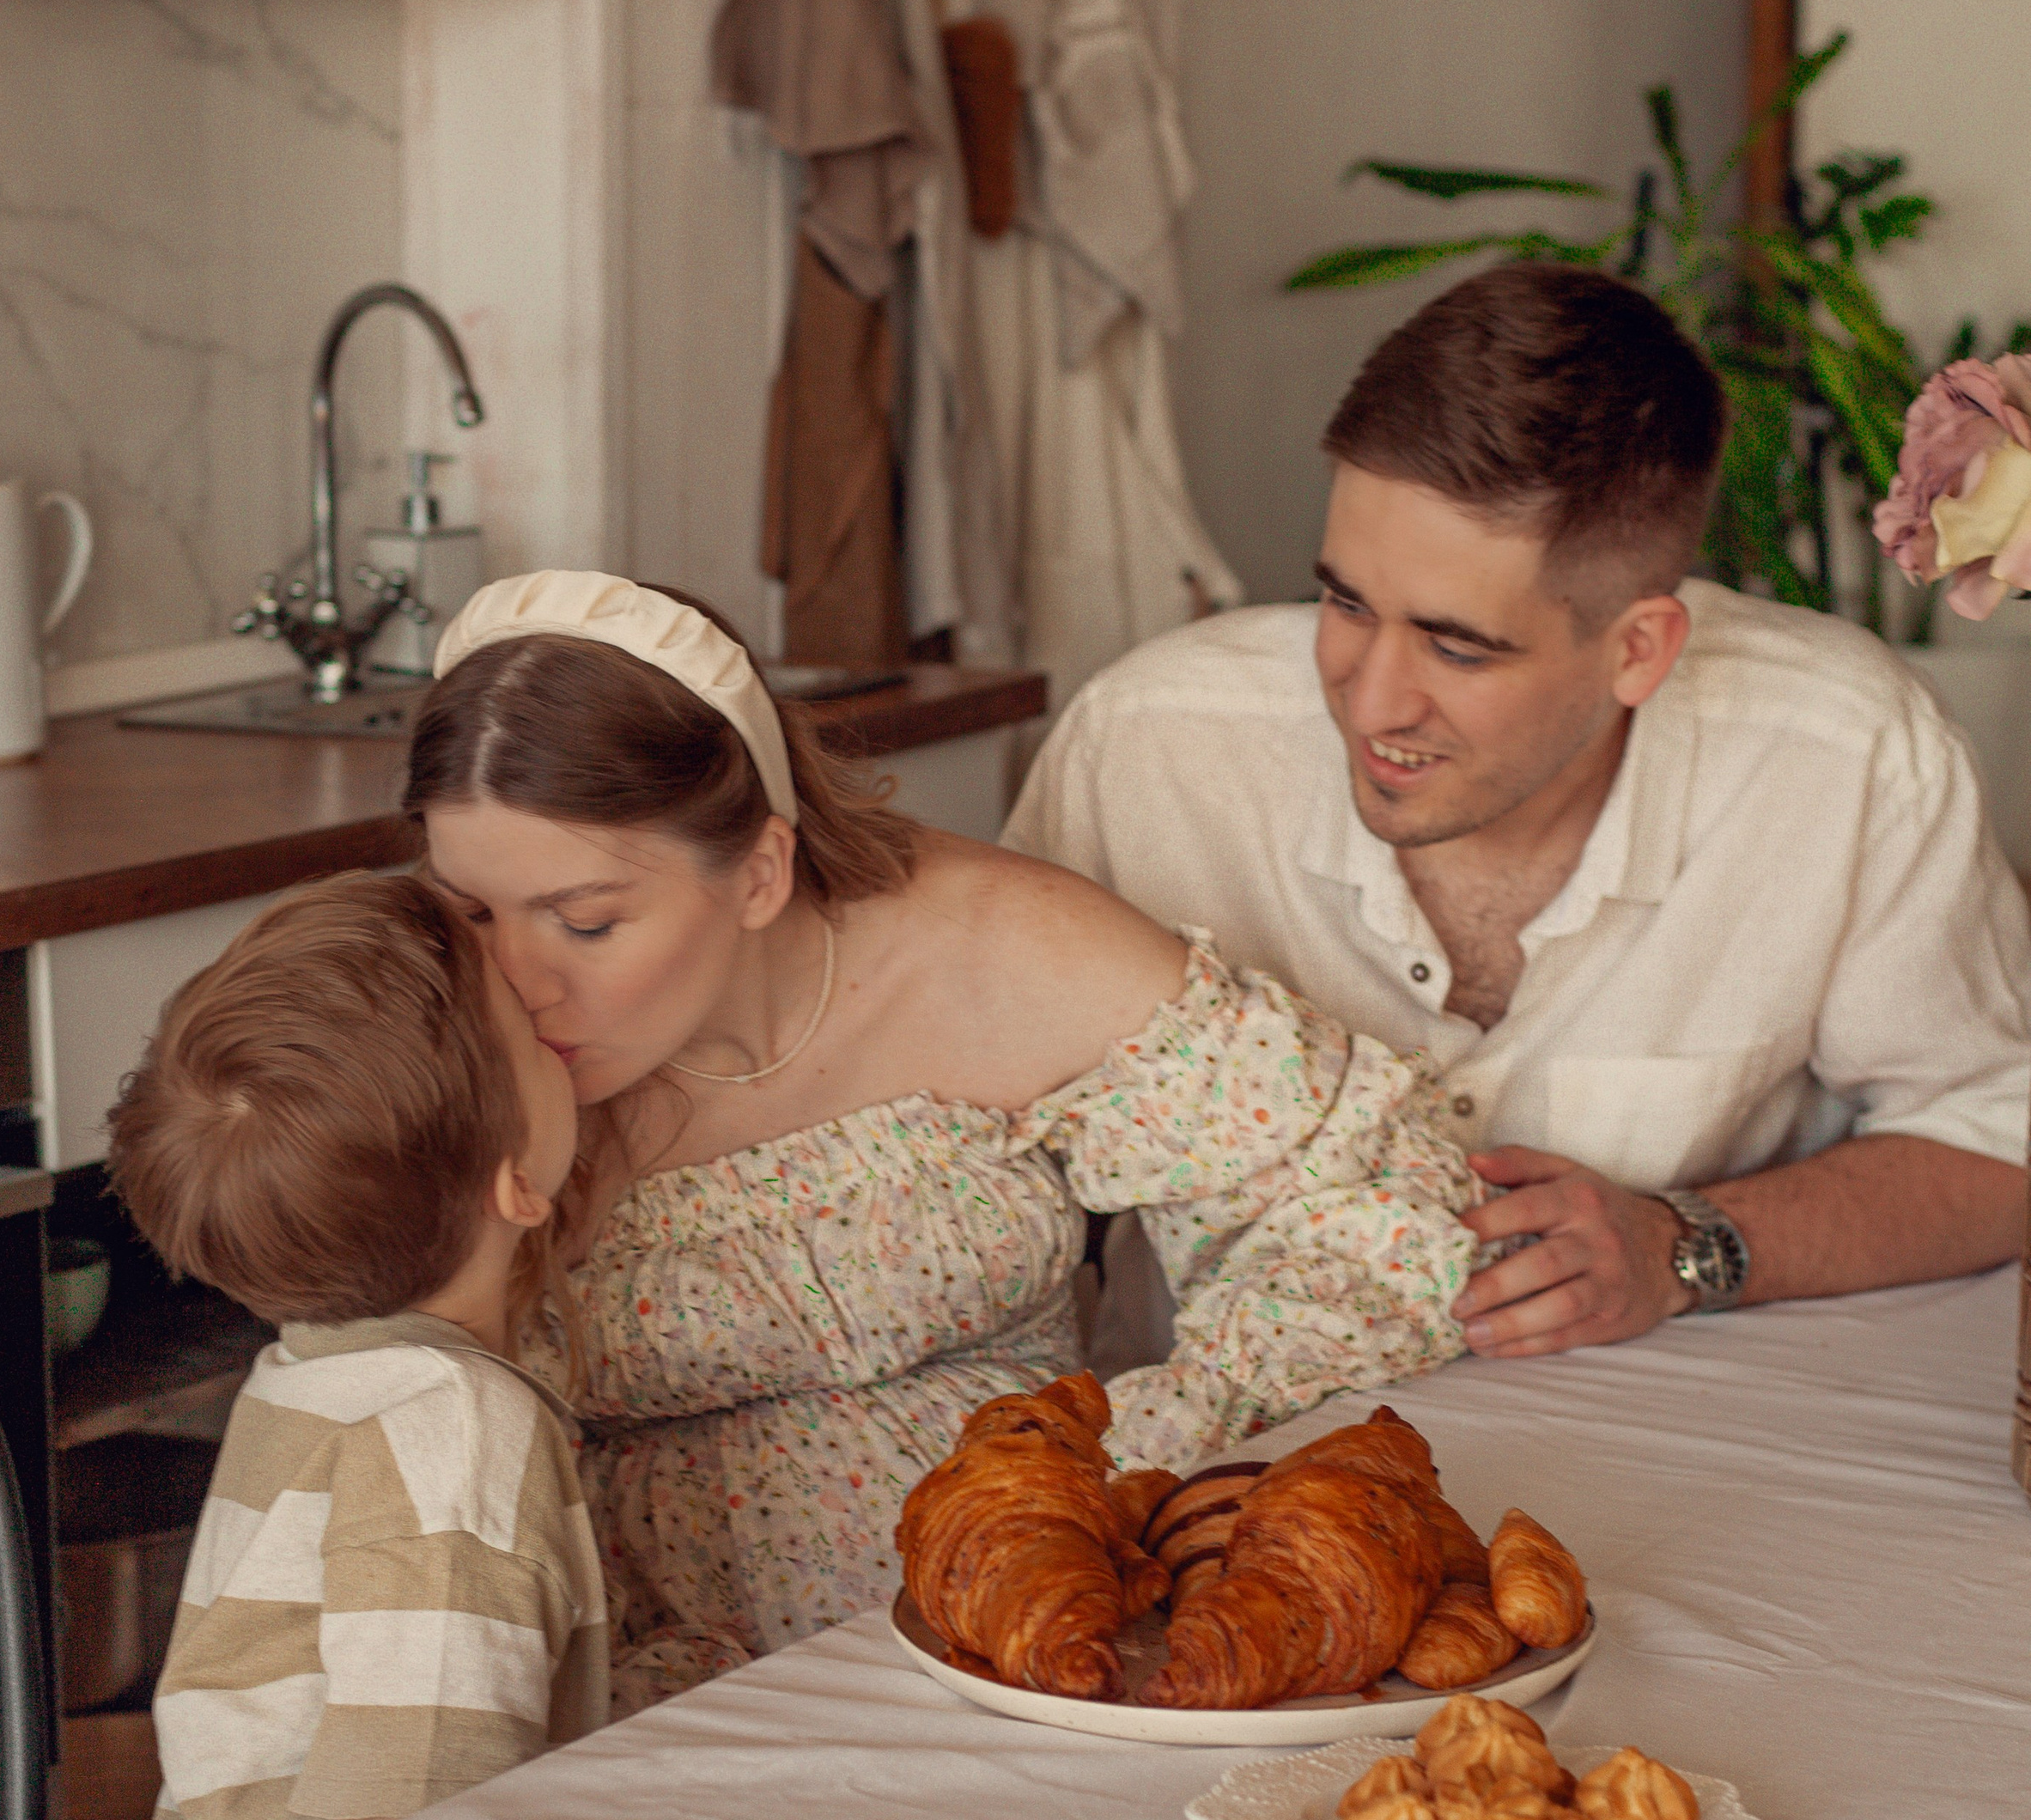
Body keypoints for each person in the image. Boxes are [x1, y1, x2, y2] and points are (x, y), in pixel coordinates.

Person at [403, 569, 1479, 1713]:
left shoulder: (989, 945)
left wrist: (1127, 1478)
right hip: (628, 1698)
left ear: (760, 870)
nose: (518, 979)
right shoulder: (446, 1045)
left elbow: (1357, 1192)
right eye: (471, 911)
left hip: (1034, 1660)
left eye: (586, 920)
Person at [1004, 261, 2031, 1362]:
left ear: (1638, 649)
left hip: (1690, 1469)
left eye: (1457, 644)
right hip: (1211, 1477)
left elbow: (1997, 1142)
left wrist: (1684, 1244)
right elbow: (962, 1138)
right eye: (1345, 601)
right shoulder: (1148, 741)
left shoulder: (1847, 755)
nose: (1371, 695)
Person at [88, 873, 605, 1820]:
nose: (550, 1007)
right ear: (517, 1185)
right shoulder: (453, 1429)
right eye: (530, 1033)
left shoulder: (323, 1364)